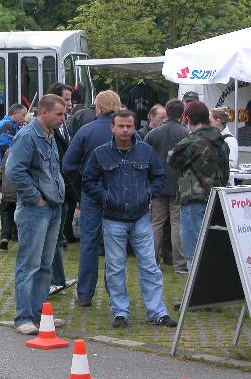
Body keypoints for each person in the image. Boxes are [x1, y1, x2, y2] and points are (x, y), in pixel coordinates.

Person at [82, 110, 176, 329]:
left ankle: (157, 312)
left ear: (134, 127)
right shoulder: (100, 154)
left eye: (129, 126)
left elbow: (159, 176)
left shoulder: (146, 151)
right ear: (112, 128)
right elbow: (88, 180)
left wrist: (148, 193)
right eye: (121, 126)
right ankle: (120, 312)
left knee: (150, 265)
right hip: (113, 219)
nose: (125, 130)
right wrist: (105, 196)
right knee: (115, 267)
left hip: (141, 217)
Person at [6, 94, 66, 335]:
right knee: (29, 264)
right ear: (44, 112)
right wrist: (35, 197)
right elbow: (14, 170)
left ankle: (41, 315)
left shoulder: (50, 135)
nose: (63, 119)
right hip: (35, 209)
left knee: (44, 265)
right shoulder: (28, 136)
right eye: (59, 114)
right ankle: (24, 318)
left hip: (53, 206)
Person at [62, 90, 122, 307]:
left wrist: (81, 185)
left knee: (89, 243)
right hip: (119, 195)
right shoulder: (127, 131)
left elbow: (68, 165)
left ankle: (85, 294)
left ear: (98, 108)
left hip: (91, 194)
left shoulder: (86, 131)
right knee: (116, 243)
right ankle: (115, 293)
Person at [168, 101, 230, 270]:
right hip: (216, 201)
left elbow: (172, 160)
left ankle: (197, 294)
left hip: (194, 200)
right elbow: (226, 172)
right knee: (212, 251)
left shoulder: (191, 141)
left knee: (193, 252)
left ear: (187, 118)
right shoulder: (221, 141)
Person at [144, 99, 189, 274]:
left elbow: (144, 157)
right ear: (182, 114)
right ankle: (180, 264)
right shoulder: (186, 133)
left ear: (167, 112)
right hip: (179, 185)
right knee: (177, 225)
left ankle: (152, 262)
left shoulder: (153, 134)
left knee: (156, 224)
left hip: (157, 185)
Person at [45, 82, 77, 297]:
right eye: (66, 101)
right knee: (50, 240)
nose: (69, 106)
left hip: (62, 188)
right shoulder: (40, 133)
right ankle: (49, 282)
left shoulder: (63, 125)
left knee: (56, 239)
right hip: (51, 193)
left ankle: (58, 279)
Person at [0, 104, 27, 177]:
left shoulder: (11, 125)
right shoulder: (7, 125)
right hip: (5, 165)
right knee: (8, 188)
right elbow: (5, 148)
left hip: (4, 164)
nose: (24, 119)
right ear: (15, 114)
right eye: (23, 115)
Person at [0, 149, 16, 251]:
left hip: (8, 190)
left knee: (6, 213)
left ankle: (5, 237)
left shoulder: (8, 151)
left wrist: (1, 185)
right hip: (21, 191)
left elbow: (1, 170)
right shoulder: (28, 149)